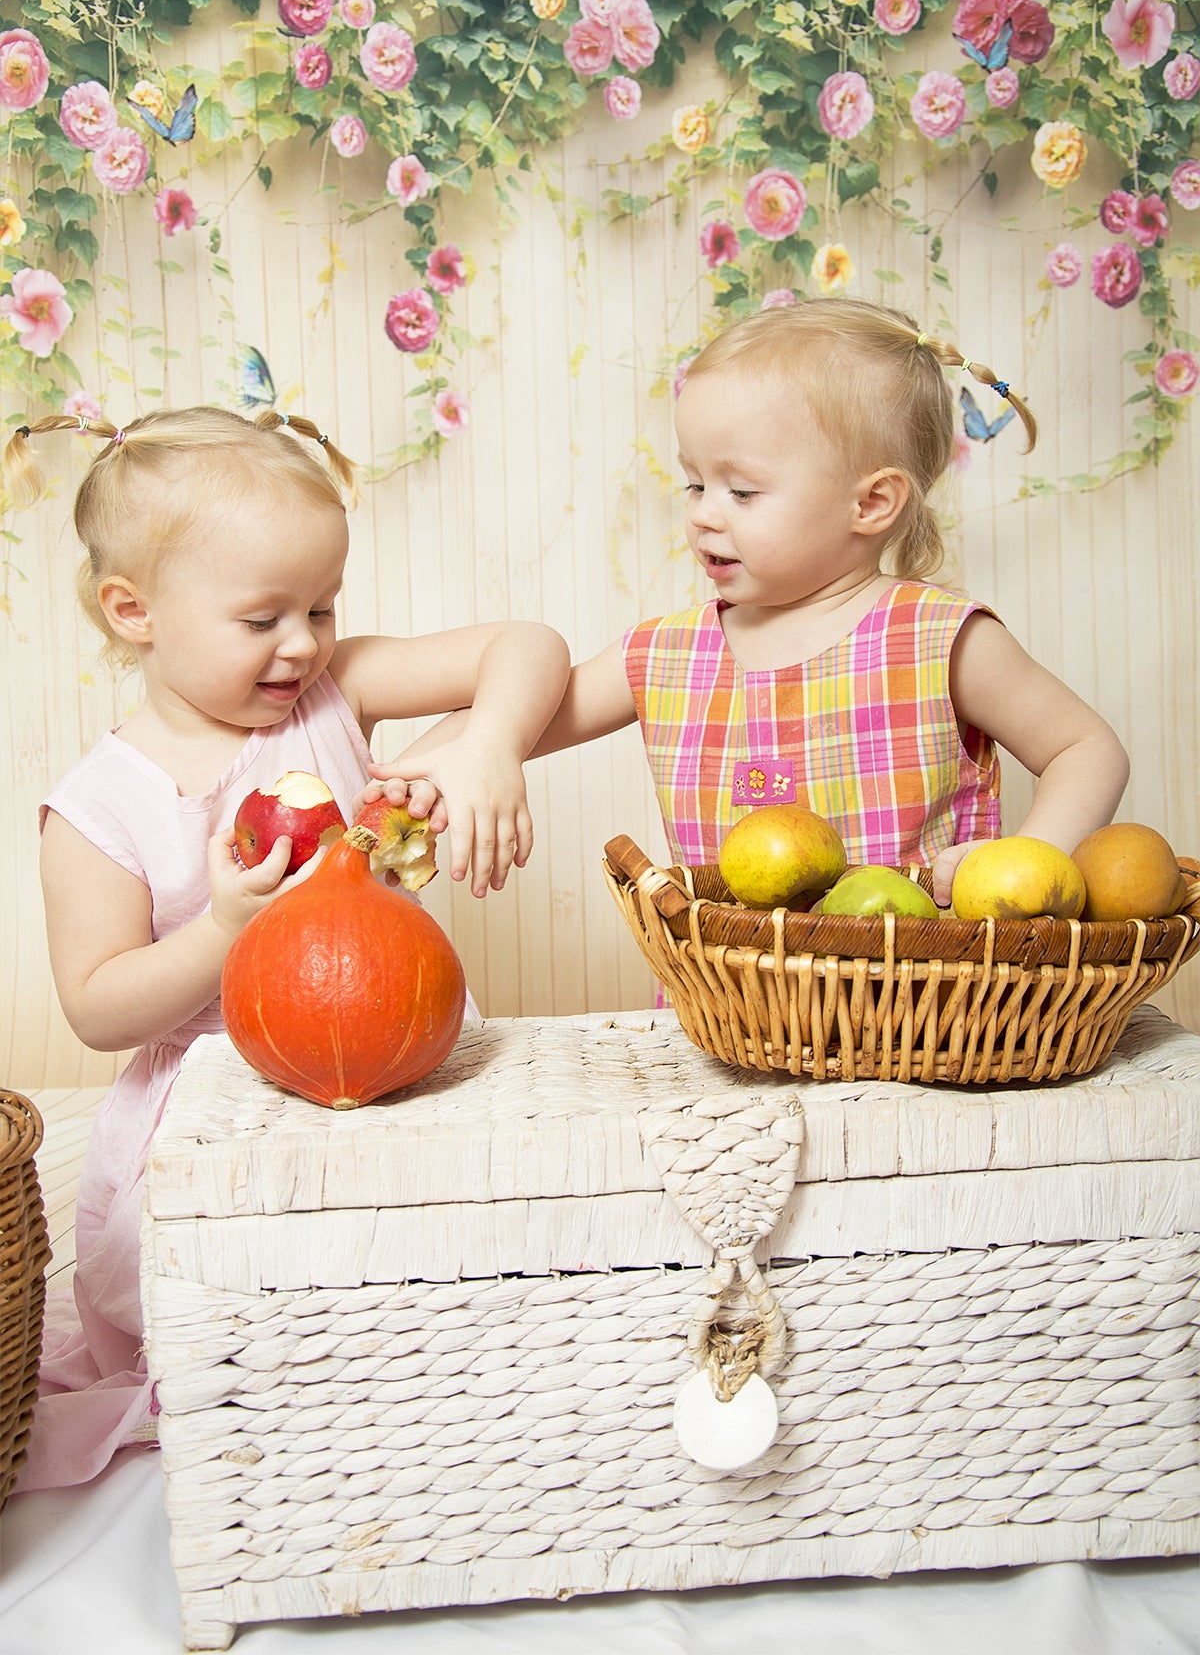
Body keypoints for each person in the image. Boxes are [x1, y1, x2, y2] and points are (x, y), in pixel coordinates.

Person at [5, 405, 569, 1491]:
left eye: (321, 605)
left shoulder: (330, 696)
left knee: (457, 1249)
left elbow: (527, 645)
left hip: (392, 1049)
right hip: (220, 1095)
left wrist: (490, 744)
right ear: (135, 613)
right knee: (240, 1301)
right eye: (263, 616)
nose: (303, 641)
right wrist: (226, 925)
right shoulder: (99, 807)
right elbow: (97, 1006)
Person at [372, 299, 1128, 902]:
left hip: (924, 1011)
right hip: (741, 1020)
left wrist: (1028, 860)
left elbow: (1086, 749)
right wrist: (450, 764)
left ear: (871, 503)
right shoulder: (670, 655)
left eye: (741, 489)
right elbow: (517, 711)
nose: (703, 511)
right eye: (695, 482)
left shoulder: (937, 638)